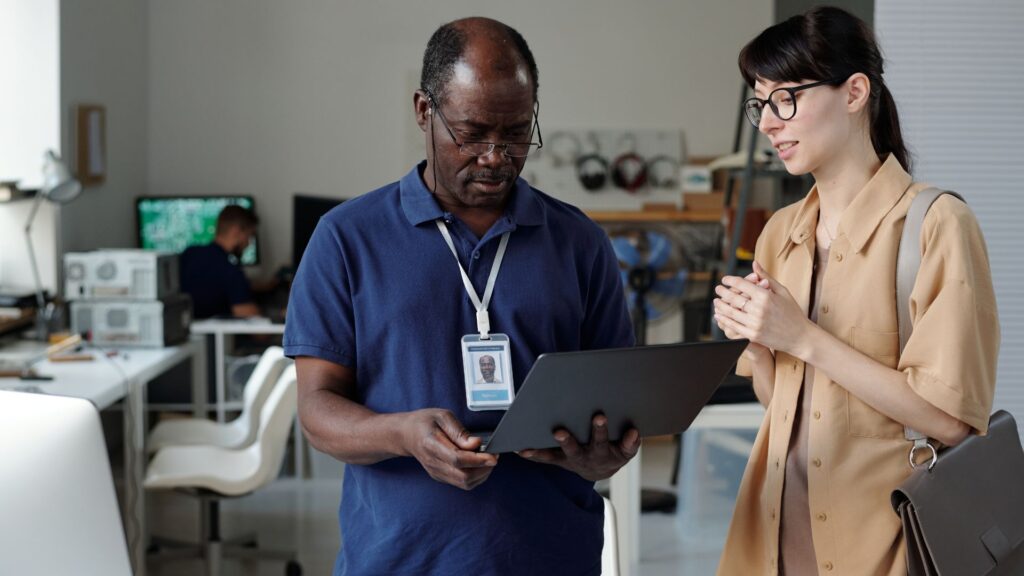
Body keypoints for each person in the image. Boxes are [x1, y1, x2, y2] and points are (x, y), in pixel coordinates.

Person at [283, 17, 639, 575]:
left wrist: (604, 450)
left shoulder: (579, 243)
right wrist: (402, 434)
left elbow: (616, 402)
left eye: (517, 133)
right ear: (425, 111)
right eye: (472, 134)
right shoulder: (346, 238)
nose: (496, 156)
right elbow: (317, 410)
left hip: (550, 556)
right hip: (398, 559)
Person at [712, 7, 999, 575]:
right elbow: (781, 407)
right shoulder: (778, 234)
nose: (769, 123)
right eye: (760, 104)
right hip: (772, 531)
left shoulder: (936, 225)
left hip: (889, 540)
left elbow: (950, 421)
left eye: (786, 98)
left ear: (854, 92)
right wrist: (760, 344)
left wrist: (803, 337)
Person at [180, 205, 261, 318]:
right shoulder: (230, 269)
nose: (248, 243)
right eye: (249, 236)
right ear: (236, 231)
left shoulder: (189, 254)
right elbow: (258, 331)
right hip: (218, 335)